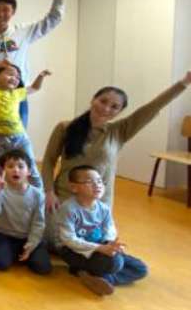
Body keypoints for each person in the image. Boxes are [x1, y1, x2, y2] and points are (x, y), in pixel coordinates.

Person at [41, 72, 191, 212]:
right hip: (63, 199)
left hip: (99, 205)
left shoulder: (120, 131)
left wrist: (184, 82)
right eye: (103, 101)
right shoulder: (64, 127)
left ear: (119, 112)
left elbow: (153, 107)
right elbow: (48, 161)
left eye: (114, 107)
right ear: (93, 99)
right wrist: (48, 192)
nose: (106, 108)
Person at [51, 165, 148, 296]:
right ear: (74, 187)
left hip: (99, 248)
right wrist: (100, 248)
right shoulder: (68, 209)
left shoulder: (103, 208)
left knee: (140, 269)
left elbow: (110, 229)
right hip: (72, 251)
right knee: (115, 263)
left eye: (99, 181)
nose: (97, 185)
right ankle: (92, 273)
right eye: (89, 182)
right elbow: (69, 240)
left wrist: (109, 244)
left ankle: (95, 277)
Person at [0, 61, 50, 188]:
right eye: (10, 74)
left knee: (30, 164)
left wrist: (41, 76)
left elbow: (35, 88)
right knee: (1, 169)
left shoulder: (17, 93)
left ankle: (39, 193)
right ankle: (2, 194)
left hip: (20, 137)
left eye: (17, 77)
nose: (15, 78)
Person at [0, 150, 51, 275]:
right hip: (5, 235)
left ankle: (14, 253)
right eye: (10, 166)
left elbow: (38, 223)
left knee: (43, 267)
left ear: (29, 171)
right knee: (0, 263)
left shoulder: (38, 194)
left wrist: (31, 245)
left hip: (28, 236)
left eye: (21, 166)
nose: (15, 170)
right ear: (3, 170)